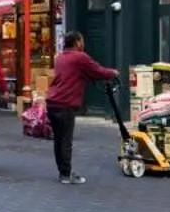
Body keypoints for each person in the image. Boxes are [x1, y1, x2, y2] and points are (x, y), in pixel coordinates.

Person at [45, 31, 118, 185]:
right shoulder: (80, 57)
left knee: (58, 140)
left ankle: (62, 171)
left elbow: (74, 74)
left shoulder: (60, 58)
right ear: (77, 42)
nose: (83, 44)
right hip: (65, 103)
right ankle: (66, 174)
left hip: (52, 103)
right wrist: (113, 73)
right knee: (66, 140)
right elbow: (98, 70)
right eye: (82, 41)